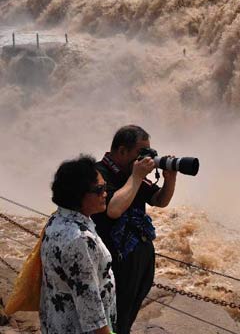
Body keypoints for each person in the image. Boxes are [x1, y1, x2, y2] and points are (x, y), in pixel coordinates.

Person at [92, 125, 177, 334]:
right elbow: (113, 210)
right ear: (121, 151)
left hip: (138, 258)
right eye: (141, 152)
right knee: (111, 316)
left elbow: (160, 200)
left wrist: (171, 178)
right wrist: (136, 177)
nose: (145, 158)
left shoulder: (132, 174)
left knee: (125, 317)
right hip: (113, 262)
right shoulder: (98, 174)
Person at [41, 155, 116, 334]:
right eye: (99, 189)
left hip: (59, 321)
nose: (105, 193)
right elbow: (89, 306)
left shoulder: (57, 219)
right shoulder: (79, 240)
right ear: (78, 195)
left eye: (105, 187)